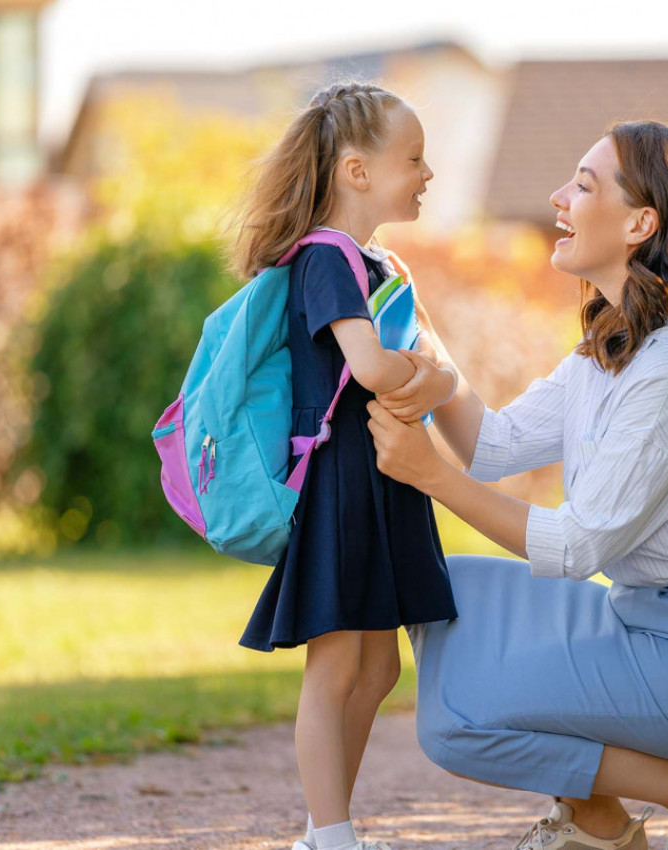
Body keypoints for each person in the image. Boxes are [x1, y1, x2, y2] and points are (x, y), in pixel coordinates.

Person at [366, 121, 668, 850]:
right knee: (441, 590)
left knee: (458, 725)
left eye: (582, 184)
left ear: (641, 224)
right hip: (650, 623)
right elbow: (492, 446)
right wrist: (415, 326)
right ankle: (597, 824)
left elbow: (574, 547)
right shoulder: (616, 343)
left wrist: (427, 475)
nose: (557, 198)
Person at [229, 82, 460, 850]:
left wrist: (427, 376)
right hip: (340, 482)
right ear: (357, 171)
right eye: (414, 158)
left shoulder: (374, 260)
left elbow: (407, 363)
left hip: (380, 476)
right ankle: (330, 837)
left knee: (378, 668)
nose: (427, 173)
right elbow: (368, 365)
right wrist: (430, 378)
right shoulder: (324, 256)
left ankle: (322, 829)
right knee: (335, 667)